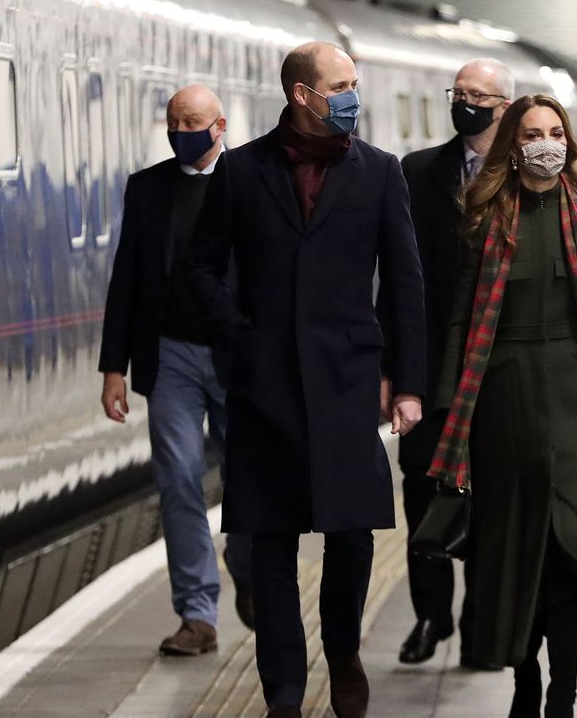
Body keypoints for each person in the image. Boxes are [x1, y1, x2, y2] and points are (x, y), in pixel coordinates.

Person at [184, 42, 425, 718]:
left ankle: (344, 652)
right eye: (342, 85)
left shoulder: (379, 173)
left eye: (355, 83)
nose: (354, 95)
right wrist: (238, 335)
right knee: (270, 545)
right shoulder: (241, 171)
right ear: (302, 95)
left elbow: (406, 285)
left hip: (348, 383)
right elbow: (201, 267)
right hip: (265, 387)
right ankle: (283, 691)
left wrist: (407, 382)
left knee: (351, 537)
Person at [429, 94, 577, 718]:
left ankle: (563, 687)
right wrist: (449, 404)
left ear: (570, 141)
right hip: (501, 395)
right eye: (531, 133)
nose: (545, 143)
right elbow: (461, 319)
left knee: (572, 544)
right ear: (513, 144)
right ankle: (526, 678)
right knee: (515, 547)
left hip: (574, 395)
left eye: (555, 132)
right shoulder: (482, 218)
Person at [97, 84, 253, 656]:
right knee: (180, 477)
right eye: (172, 122)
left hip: (240, 358)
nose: (179, 131)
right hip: (171, 356)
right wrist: (114, 366)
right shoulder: (148, 189)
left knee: (251, 477)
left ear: (219, 127)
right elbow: (127, 279)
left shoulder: (250, 183)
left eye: (191, 122)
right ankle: (197, 613)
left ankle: (250, 563)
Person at [395, 57, 513, 668]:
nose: (464, 102)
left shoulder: (525, 177)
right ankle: (430, 614)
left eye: (478, 95)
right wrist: (399, 375)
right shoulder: (418, 173)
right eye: (458, 92)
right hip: (433, 368)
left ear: (504, 105)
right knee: (422, 488)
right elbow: (401, 280)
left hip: (499, 370)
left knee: (492, 502)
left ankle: (477, 621)